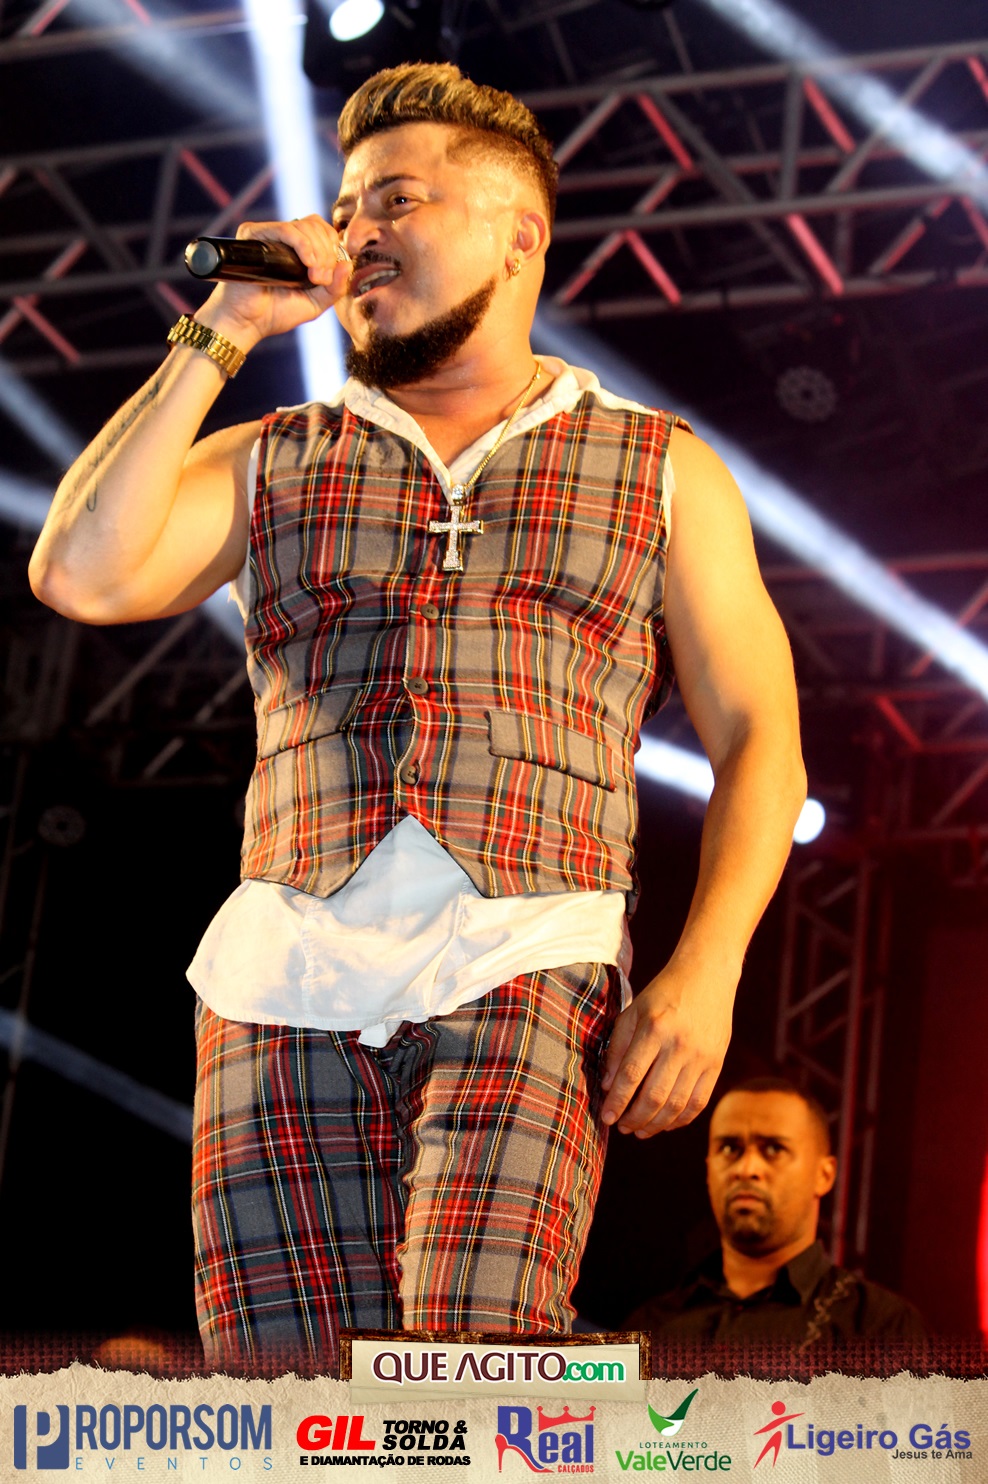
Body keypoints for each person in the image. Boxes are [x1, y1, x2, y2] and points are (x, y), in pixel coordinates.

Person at [28, 63, 806, 1369]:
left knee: (468, 1361)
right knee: (288, 1400)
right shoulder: (280, 451)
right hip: (281, 974)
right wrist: (224, 323)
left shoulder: (660, 464)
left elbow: (760, 742)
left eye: (396, 199)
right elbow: (80, 575)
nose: (358, 232)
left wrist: (708, 967)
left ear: (518, 234)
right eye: (346, 207)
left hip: (527, 948)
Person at [626, 1077, 925, 1345]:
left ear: (823, 1175)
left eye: (773, 1149)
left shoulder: (881, 1328)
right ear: (708, 1169)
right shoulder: (648, 1326)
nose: (747, 1169)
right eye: (729, 1148)